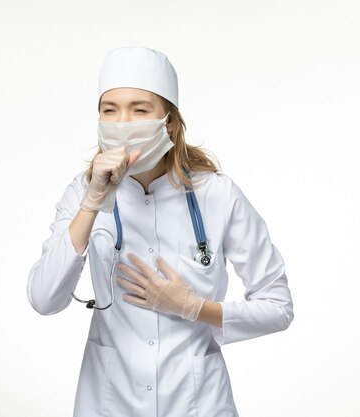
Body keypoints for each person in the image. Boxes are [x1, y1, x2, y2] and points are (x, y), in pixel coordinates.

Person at [27, 46, 294, 417]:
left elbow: (278, 308)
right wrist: (93, 202)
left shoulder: (217, 194)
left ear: (168, 121)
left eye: (139, 109)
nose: (122, 123)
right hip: (110, 401)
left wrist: (193, 307)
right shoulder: (82, 191)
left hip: (198, 403)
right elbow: (43, 298)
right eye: (110, 110)